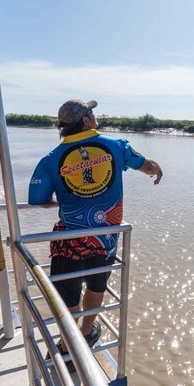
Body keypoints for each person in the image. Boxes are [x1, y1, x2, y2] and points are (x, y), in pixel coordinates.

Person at [28, 99, 163, 354]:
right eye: (92, 112)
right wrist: (157, 170)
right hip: (106, 240)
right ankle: (87, 332)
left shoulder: (50, 159)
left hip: (70, 240)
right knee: (96, 286)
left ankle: (67, 343)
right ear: (87, 120)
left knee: (68, 293)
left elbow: (37, 199)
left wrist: (66, 199)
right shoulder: (116, 146)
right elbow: (147, 166)